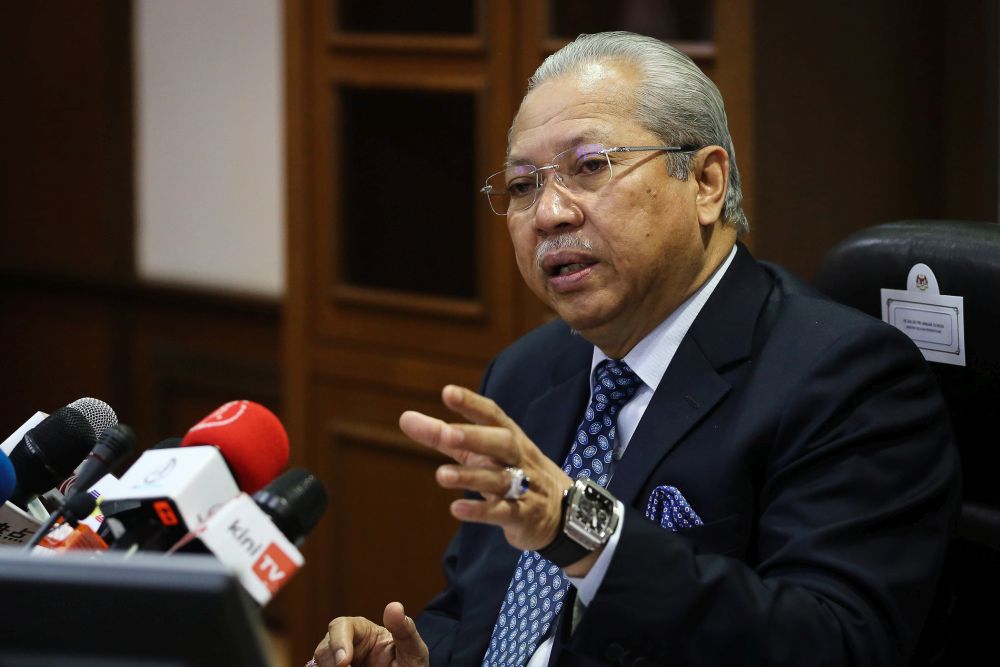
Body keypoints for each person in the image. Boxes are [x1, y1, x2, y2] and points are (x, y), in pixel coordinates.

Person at [311, 31, 959, 667]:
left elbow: (833, 642)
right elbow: (479, 610)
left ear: (705, 181)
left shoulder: (847, 378)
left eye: (590, 166)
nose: (549, 214)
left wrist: (581, 529)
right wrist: (422, 656)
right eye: (523, 184)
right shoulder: (529, 370)